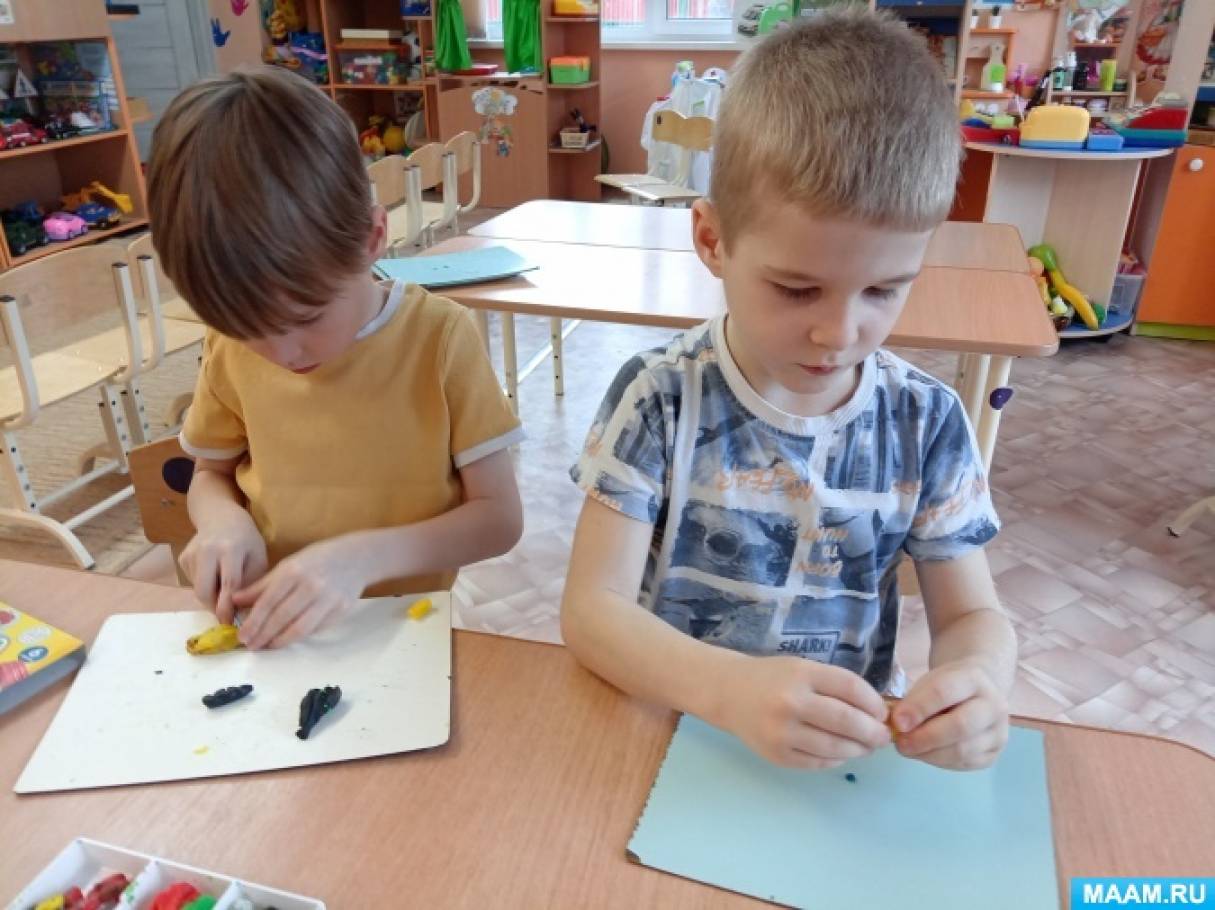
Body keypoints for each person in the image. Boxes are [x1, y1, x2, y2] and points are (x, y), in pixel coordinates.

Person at [561, 10, 1016, 772]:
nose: (838, 332)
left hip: (837, 762)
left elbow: (972, 613)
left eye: (883, 289)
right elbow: (590, 612)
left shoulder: (927, 422)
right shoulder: (659, 399)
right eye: (797, 289)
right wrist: (727, 691)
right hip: (675, 739)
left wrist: (980, 682)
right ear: (712, 240)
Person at [147, 66, 523, 649]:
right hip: (272, 625)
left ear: (372, 238)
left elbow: (498, 519)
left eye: (306, 319)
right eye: (247, 331)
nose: (281, 354)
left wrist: (363, 558)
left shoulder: (438, 338)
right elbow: (210, 473)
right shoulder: (227, 348)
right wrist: (220, 518)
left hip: (407, 629)